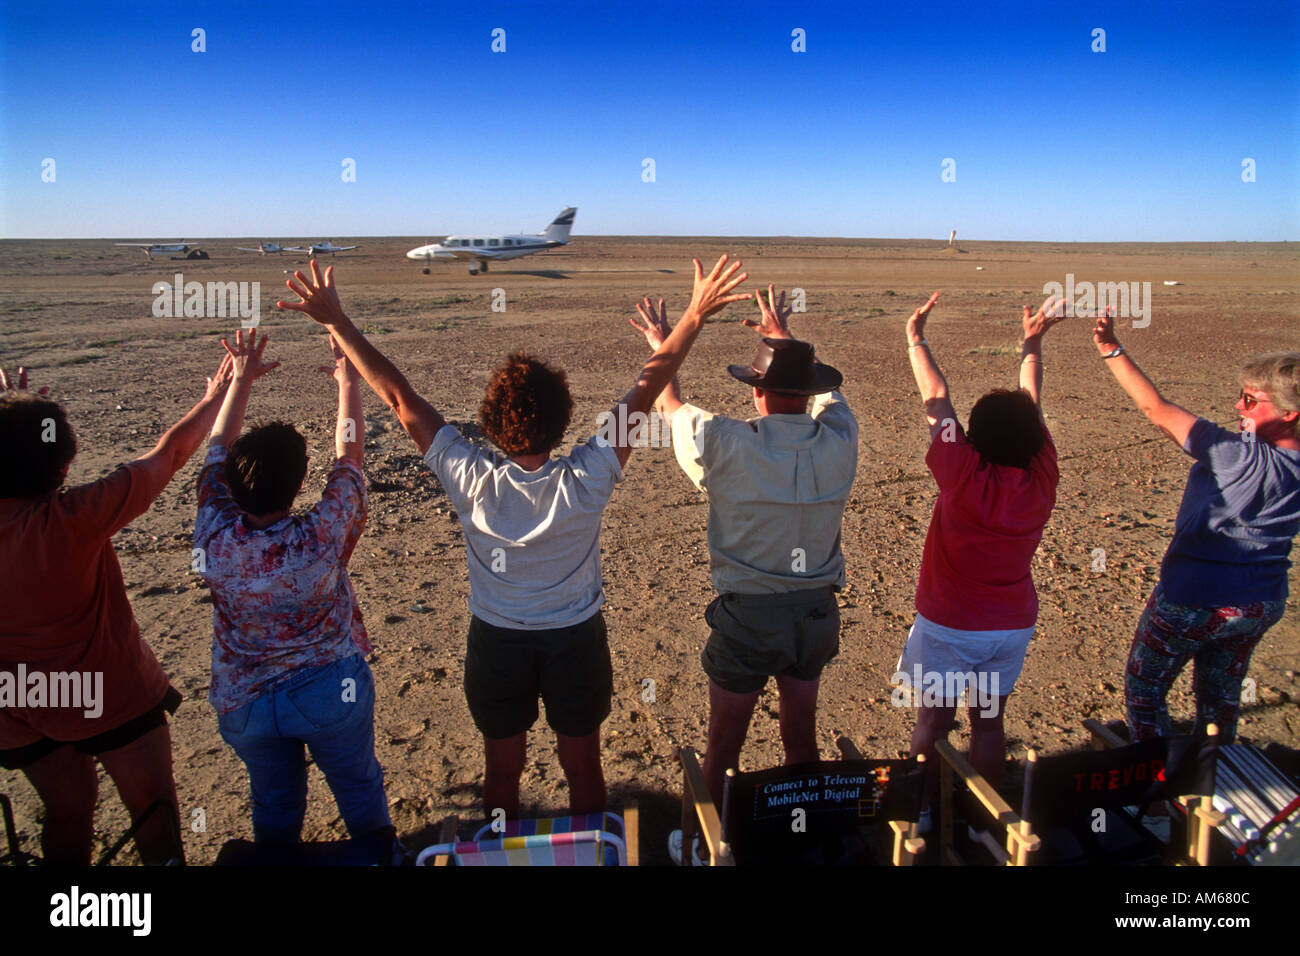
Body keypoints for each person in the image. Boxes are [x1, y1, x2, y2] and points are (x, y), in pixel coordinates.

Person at [277, 255, 750, 821]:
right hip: (575, 640)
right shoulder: (587, 476)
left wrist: (338, 321)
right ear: (562, 418)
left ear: (493, 425)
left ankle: (501, 853)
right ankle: (593, 855)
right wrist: (694, 312)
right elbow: (645, 392)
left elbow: (400, 400)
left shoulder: (470, 477)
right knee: (583, 768)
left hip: (498, 642)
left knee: (501, 770)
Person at [633, 286, 857, 865]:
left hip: (749, 617)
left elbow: (669, 407)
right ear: (806, 394)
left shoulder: (725, 443)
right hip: (816, 615)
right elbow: (833, 395)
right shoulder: (840, 440)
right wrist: (782, 336)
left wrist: (666, 346)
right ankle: (800, 831)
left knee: (724, 745)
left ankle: (713, 842)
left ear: (755, 392)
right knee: (800, 735)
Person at [0, 355, 235, 864]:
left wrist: (12, 418)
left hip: (13, 704)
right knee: (155, 813)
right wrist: (214, 398)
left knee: (66, 814)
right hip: (103, 694)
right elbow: (170, 455)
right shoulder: (73, 520)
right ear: (62, 469)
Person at [194, 328, 394, 849]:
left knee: (274, 801)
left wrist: (239, 381)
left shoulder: (213, 530)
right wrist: (347, 381)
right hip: (329, 688)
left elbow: (217, 449)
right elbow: (349, 457)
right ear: (300, 482)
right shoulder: (320, 534)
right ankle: (379, 855)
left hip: (244, 700)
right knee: (357, 784)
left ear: (233, 484)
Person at [1092, 312, 1300, 743]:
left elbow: (1156, 408)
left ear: (1288, 412)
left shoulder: (1238, 456)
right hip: (1260, 604)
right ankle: (1217, 779)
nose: (1237, 407)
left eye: (1249, 400)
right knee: (1220, 696)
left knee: (1146, 690)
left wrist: (1111, 348)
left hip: (1194, 599)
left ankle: (1152, 795)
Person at [899, 292, 1065, 805]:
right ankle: (985, 808)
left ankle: (923, 809)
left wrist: (916, 338)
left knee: (935, 720)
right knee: (990, 725)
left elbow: (937, 395)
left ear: (975, 438)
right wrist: (1031, 347)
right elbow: (1031, 409)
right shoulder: (1042, 478)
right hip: (1011, 624)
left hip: (949, 623)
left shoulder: (963, 476)